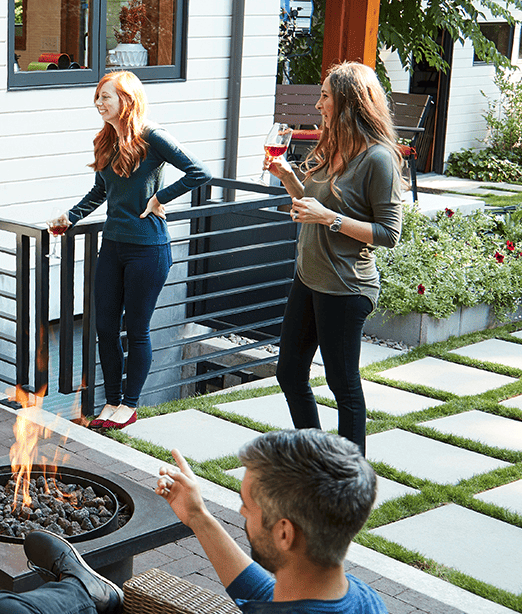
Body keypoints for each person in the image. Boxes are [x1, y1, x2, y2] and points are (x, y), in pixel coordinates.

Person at [48, 71, 211, 429]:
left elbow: (199, 172)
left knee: (136, 329)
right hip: (113, 246)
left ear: (127, 100)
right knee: (105, 327)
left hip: (148, 250)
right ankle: (111, 401)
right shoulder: (105, 140)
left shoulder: (153, 137)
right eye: (98, 97)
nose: (99, 103)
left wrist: (159, 198)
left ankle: (130, 405)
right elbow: (99, 192)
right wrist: (70, 217)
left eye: (106, 97)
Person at [266, 62, 405, 455]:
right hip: (309, 278)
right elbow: (309, 202)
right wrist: (288, 178)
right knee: (290, 373)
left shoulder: (379, 159)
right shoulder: (334, 147)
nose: (317, 103)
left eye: (325, 95)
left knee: (343, 385)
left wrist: (330, 219)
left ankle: (350, 481)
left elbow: (389, 234)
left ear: (347, 101)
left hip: (345, 286)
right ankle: (315, 459)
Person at [157, 429, 386, 612]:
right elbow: (268, 595)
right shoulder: (365, 600)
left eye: (247, 504)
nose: (242, 512)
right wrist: (198, 516)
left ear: (284, 533)